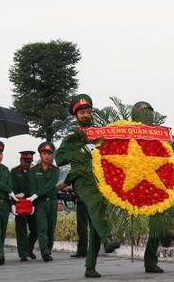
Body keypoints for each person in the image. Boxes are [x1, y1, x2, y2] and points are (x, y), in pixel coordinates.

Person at [54, 93, 121, 278]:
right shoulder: (71, 138)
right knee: (94, 204)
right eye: (82, 112)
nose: (86, 115)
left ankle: (90, 266)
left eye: (88, 111)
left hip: (101, 179)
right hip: (82, 180)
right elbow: (59, 159)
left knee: (97, 220)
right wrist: (80, 150)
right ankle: (108, 239)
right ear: (76, 117)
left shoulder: (100, 134)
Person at [131, 101, 174, 274]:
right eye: (143, 113)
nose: (147, 116)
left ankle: (151, 260)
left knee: (157, 221)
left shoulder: (158, 135)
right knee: (156, 221)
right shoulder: (129, 135)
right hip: (136, 185)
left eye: (149, 113)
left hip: (157, 185)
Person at [28, 142, 60, 262]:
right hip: (40, 203)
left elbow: (51, 184)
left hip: (52, 202)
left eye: (49, 154)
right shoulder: (33, 170)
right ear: (40, 155)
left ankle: (48, 249)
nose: (46, 156)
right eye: (44, 153)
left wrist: (36, 194)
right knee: (42, 227)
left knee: (51, 228)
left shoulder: (55, 170)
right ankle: (44, 251)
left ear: (52, 156)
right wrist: (34, 197)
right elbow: (32, 187)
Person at [10, 150, 38, 261]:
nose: (28, 164)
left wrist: (24, 193)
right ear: (21, 160)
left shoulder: (34, 171)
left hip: (32, 203)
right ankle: (23, 254)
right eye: (26, 162)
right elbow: (13, 187)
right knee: (21, 230)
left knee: (35, 229)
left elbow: (34, 187)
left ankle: (29, 249)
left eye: (29, 162)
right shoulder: (14, 171)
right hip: (20, 204)